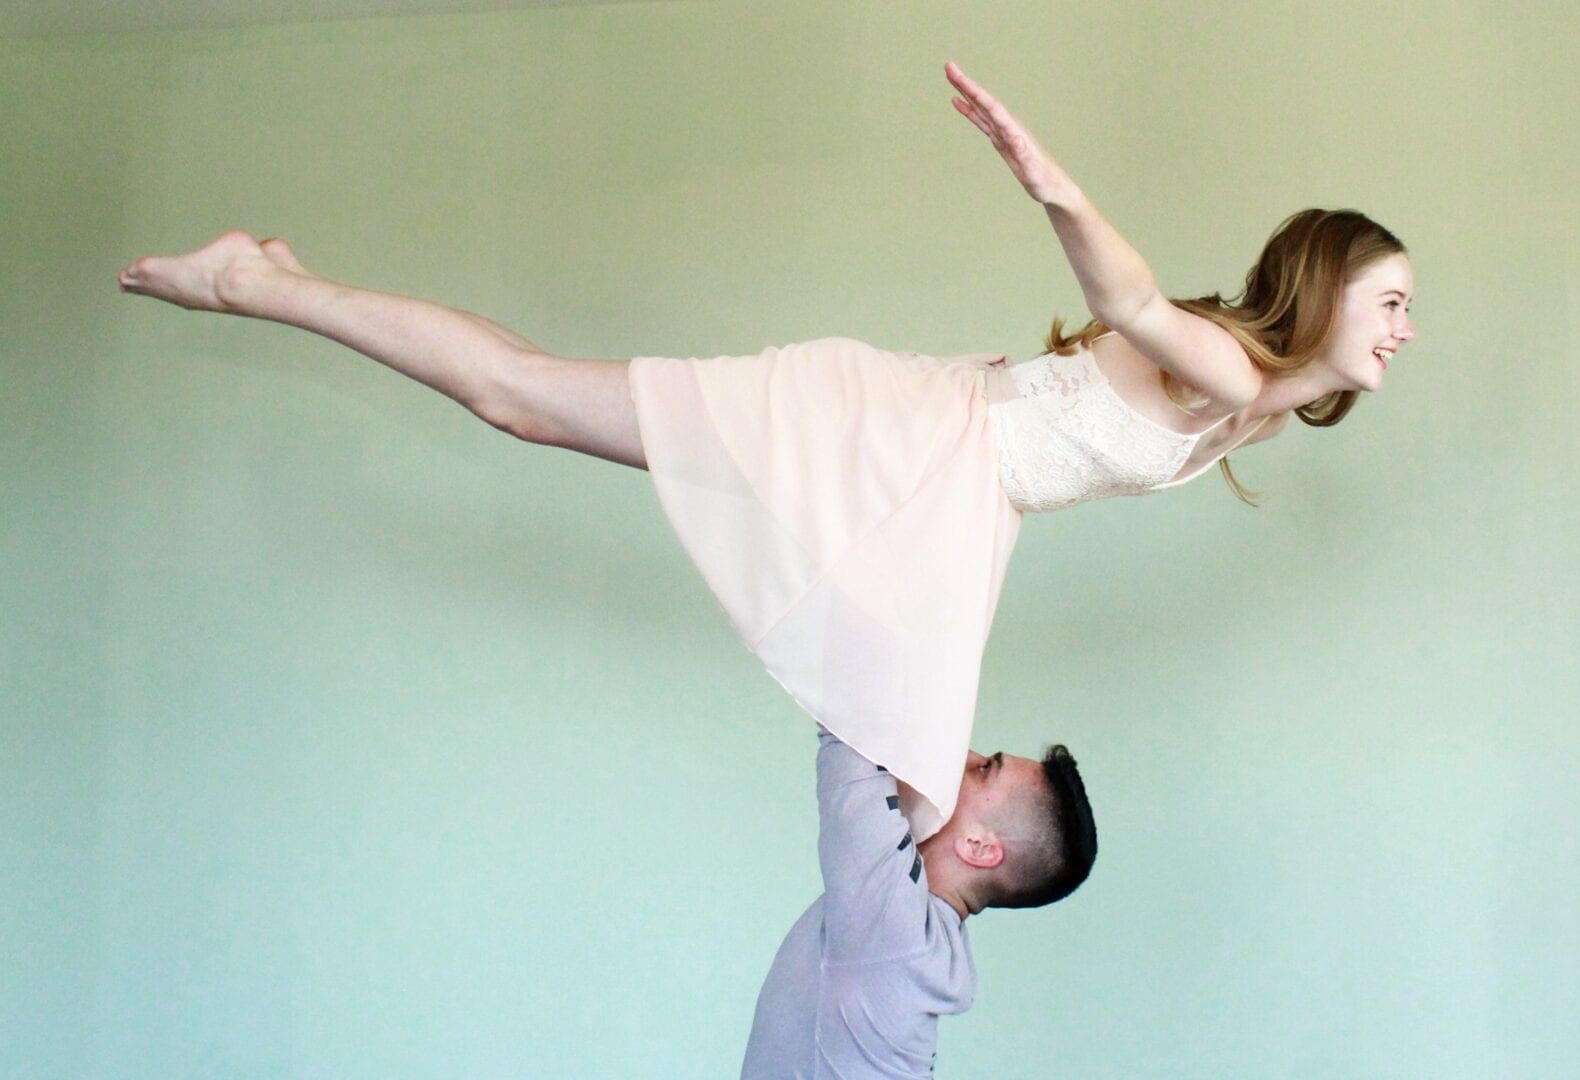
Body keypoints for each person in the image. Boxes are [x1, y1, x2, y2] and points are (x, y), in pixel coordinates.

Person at [116, 62, 1415, 840]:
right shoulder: (1234, 369)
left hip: (955, 499)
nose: (1406, 330)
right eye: (1394, 300)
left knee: (918, 766)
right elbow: (1131, 302)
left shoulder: (1260, 406)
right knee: (522, 399)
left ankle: (275, 282)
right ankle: (259, 284)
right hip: (904, 445)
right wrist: (1051, 183)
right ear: (1327, 282)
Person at [740, 728, 1097, 1079]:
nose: (965, 755)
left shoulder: (895, 924)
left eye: (984, 768)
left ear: (979, 847)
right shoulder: (919, 939)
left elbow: (852, 728)